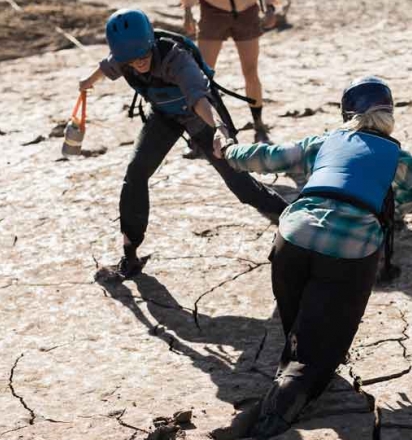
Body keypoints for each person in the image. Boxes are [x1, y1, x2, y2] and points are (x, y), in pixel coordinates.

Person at [209, 76, 412, 440]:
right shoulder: (403, 162)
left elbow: (266, 157)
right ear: (389, 114)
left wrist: (229, 150)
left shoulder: (323, 142)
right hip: (348, 255)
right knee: (318, 354)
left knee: (300, 331)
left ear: (346, 113)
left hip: (291, 240)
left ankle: (286, 386)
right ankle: (268, 425)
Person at [79, 8, 288, 281]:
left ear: (151, 43)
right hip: (164, 115)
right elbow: (106, 66)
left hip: (202, 118)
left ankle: (293, 217)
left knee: (241, 185)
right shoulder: (125, 55)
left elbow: (200, 100)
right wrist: (87, 82)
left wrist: (221, 131)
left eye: (143, 55)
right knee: (135, 174)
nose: (139, 63)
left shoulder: (177, 58)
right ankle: (130, 252)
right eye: (132, 60)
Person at [181, 0, 280, 146]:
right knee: (202, 75)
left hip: (246, 12)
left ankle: (259, 127)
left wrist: (270, 7)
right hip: (213, 11)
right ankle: (200, 134)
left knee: (251, 71)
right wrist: (187, 10)